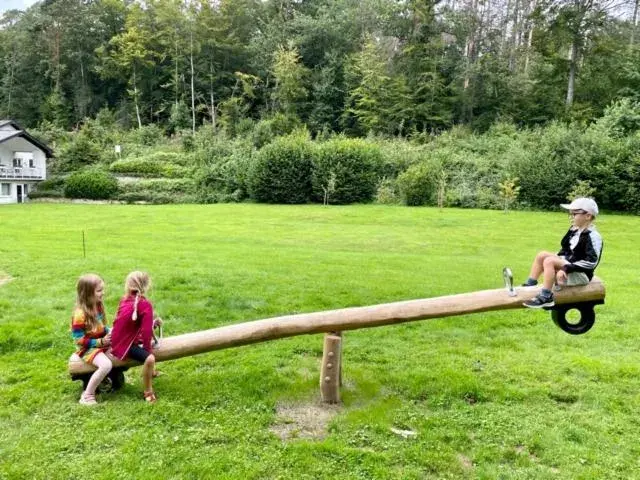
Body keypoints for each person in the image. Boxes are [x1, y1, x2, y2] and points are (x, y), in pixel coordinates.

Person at [522, 197, 603, 308]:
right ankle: (529, 286)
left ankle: (546, 297)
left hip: (581, 274)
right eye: (570, 214)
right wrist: (559, 260)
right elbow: (565, 250)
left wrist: (565, 268)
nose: (571, 216)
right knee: (542, 255)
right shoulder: (575, 230)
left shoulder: (593, 236)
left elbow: (591, 262)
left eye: (574, 214)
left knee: (549, 261)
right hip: (570, 265)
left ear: (588, 216)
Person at [109, 271, 160, 403]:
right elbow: (146, 332)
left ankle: (152, 372)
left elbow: (137, 325)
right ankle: (148, 391)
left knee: (147, 355)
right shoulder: (145, 304)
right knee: (149, 359)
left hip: (116, 339)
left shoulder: (124, 300)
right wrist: (148, 352)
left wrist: (153, 323)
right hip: (124, 344)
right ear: (146, 286)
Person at [71, 274, 112, 405]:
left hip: (100, 343)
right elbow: (78, 340)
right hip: (88, 348)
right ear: (87, 293)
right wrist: (99, 342)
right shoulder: (80, 314)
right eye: (99, 291)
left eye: (102, 289)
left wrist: (109, 331)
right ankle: (87, 395)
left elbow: (99, 326)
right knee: (106, 364)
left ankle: (105, 381)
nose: (103, 293)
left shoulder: (97, 305)